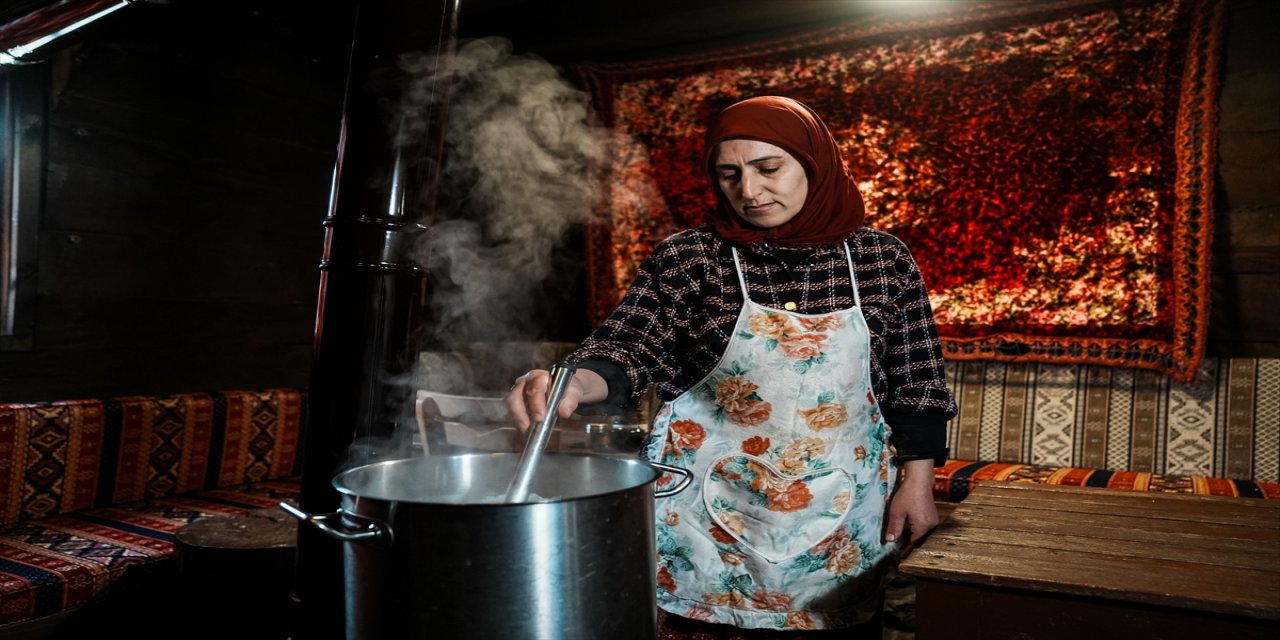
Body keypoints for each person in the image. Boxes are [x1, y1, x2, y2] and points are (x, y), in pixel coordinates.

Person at [506, 95, 957, 638]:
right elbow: (628, 347)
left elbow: (917, 381)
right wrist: (570, 383)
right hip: (702, 521)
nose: (748, 190)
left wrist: (918, 482)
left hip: (840, 515)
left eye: (768, 168)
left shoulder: (882, 260)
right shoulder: (692, 257)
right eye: (729, 174)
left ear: (813, 164)